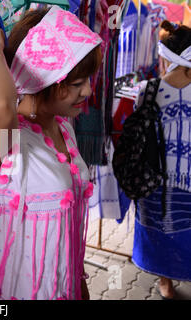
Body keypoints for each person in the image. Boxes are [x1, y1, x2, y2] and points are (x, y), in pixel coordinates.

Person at [0, 6, 102, 300]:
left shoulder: (64, 129)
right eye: (76, 83)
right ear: (44, 77)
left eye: (87, 80)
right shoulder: (10, 141)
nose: (88, 91)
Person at [132, 21, 191, 300]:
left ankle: (165, 283)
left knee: (160, 228)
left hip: (154, 176)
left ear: (167, 59)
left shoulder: (146, 89)